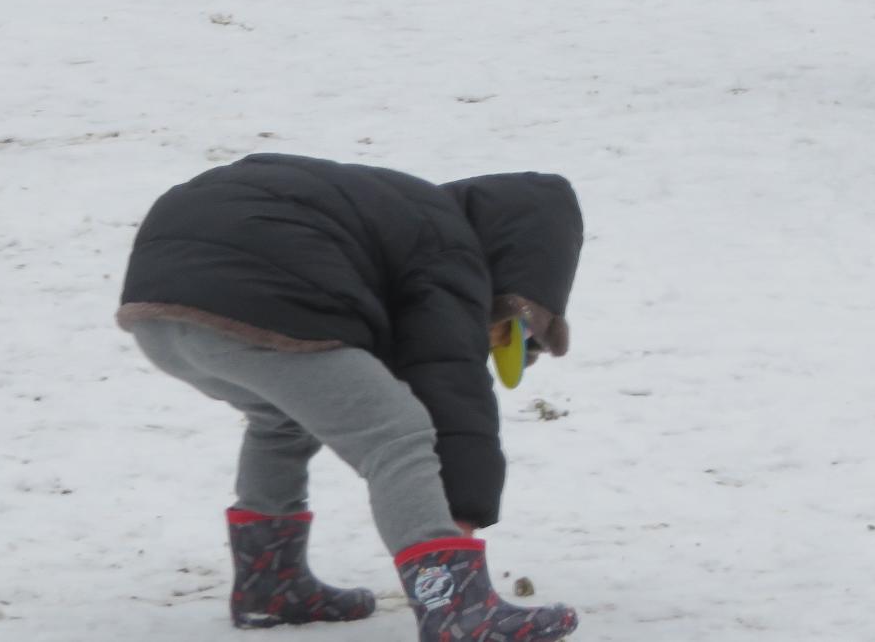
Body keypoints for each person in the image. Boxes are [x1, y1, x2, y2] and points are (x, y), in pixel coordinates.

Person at [118, 154, 584, 640]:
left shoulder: (397, 209)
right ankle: (453, 601)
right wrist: (462, 510)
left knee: (282, 418)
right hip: (258, 296)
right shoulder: (449, 243)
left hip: (155, 309)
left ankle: (271, 587)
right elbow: (450, 382)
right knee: (395, 430)